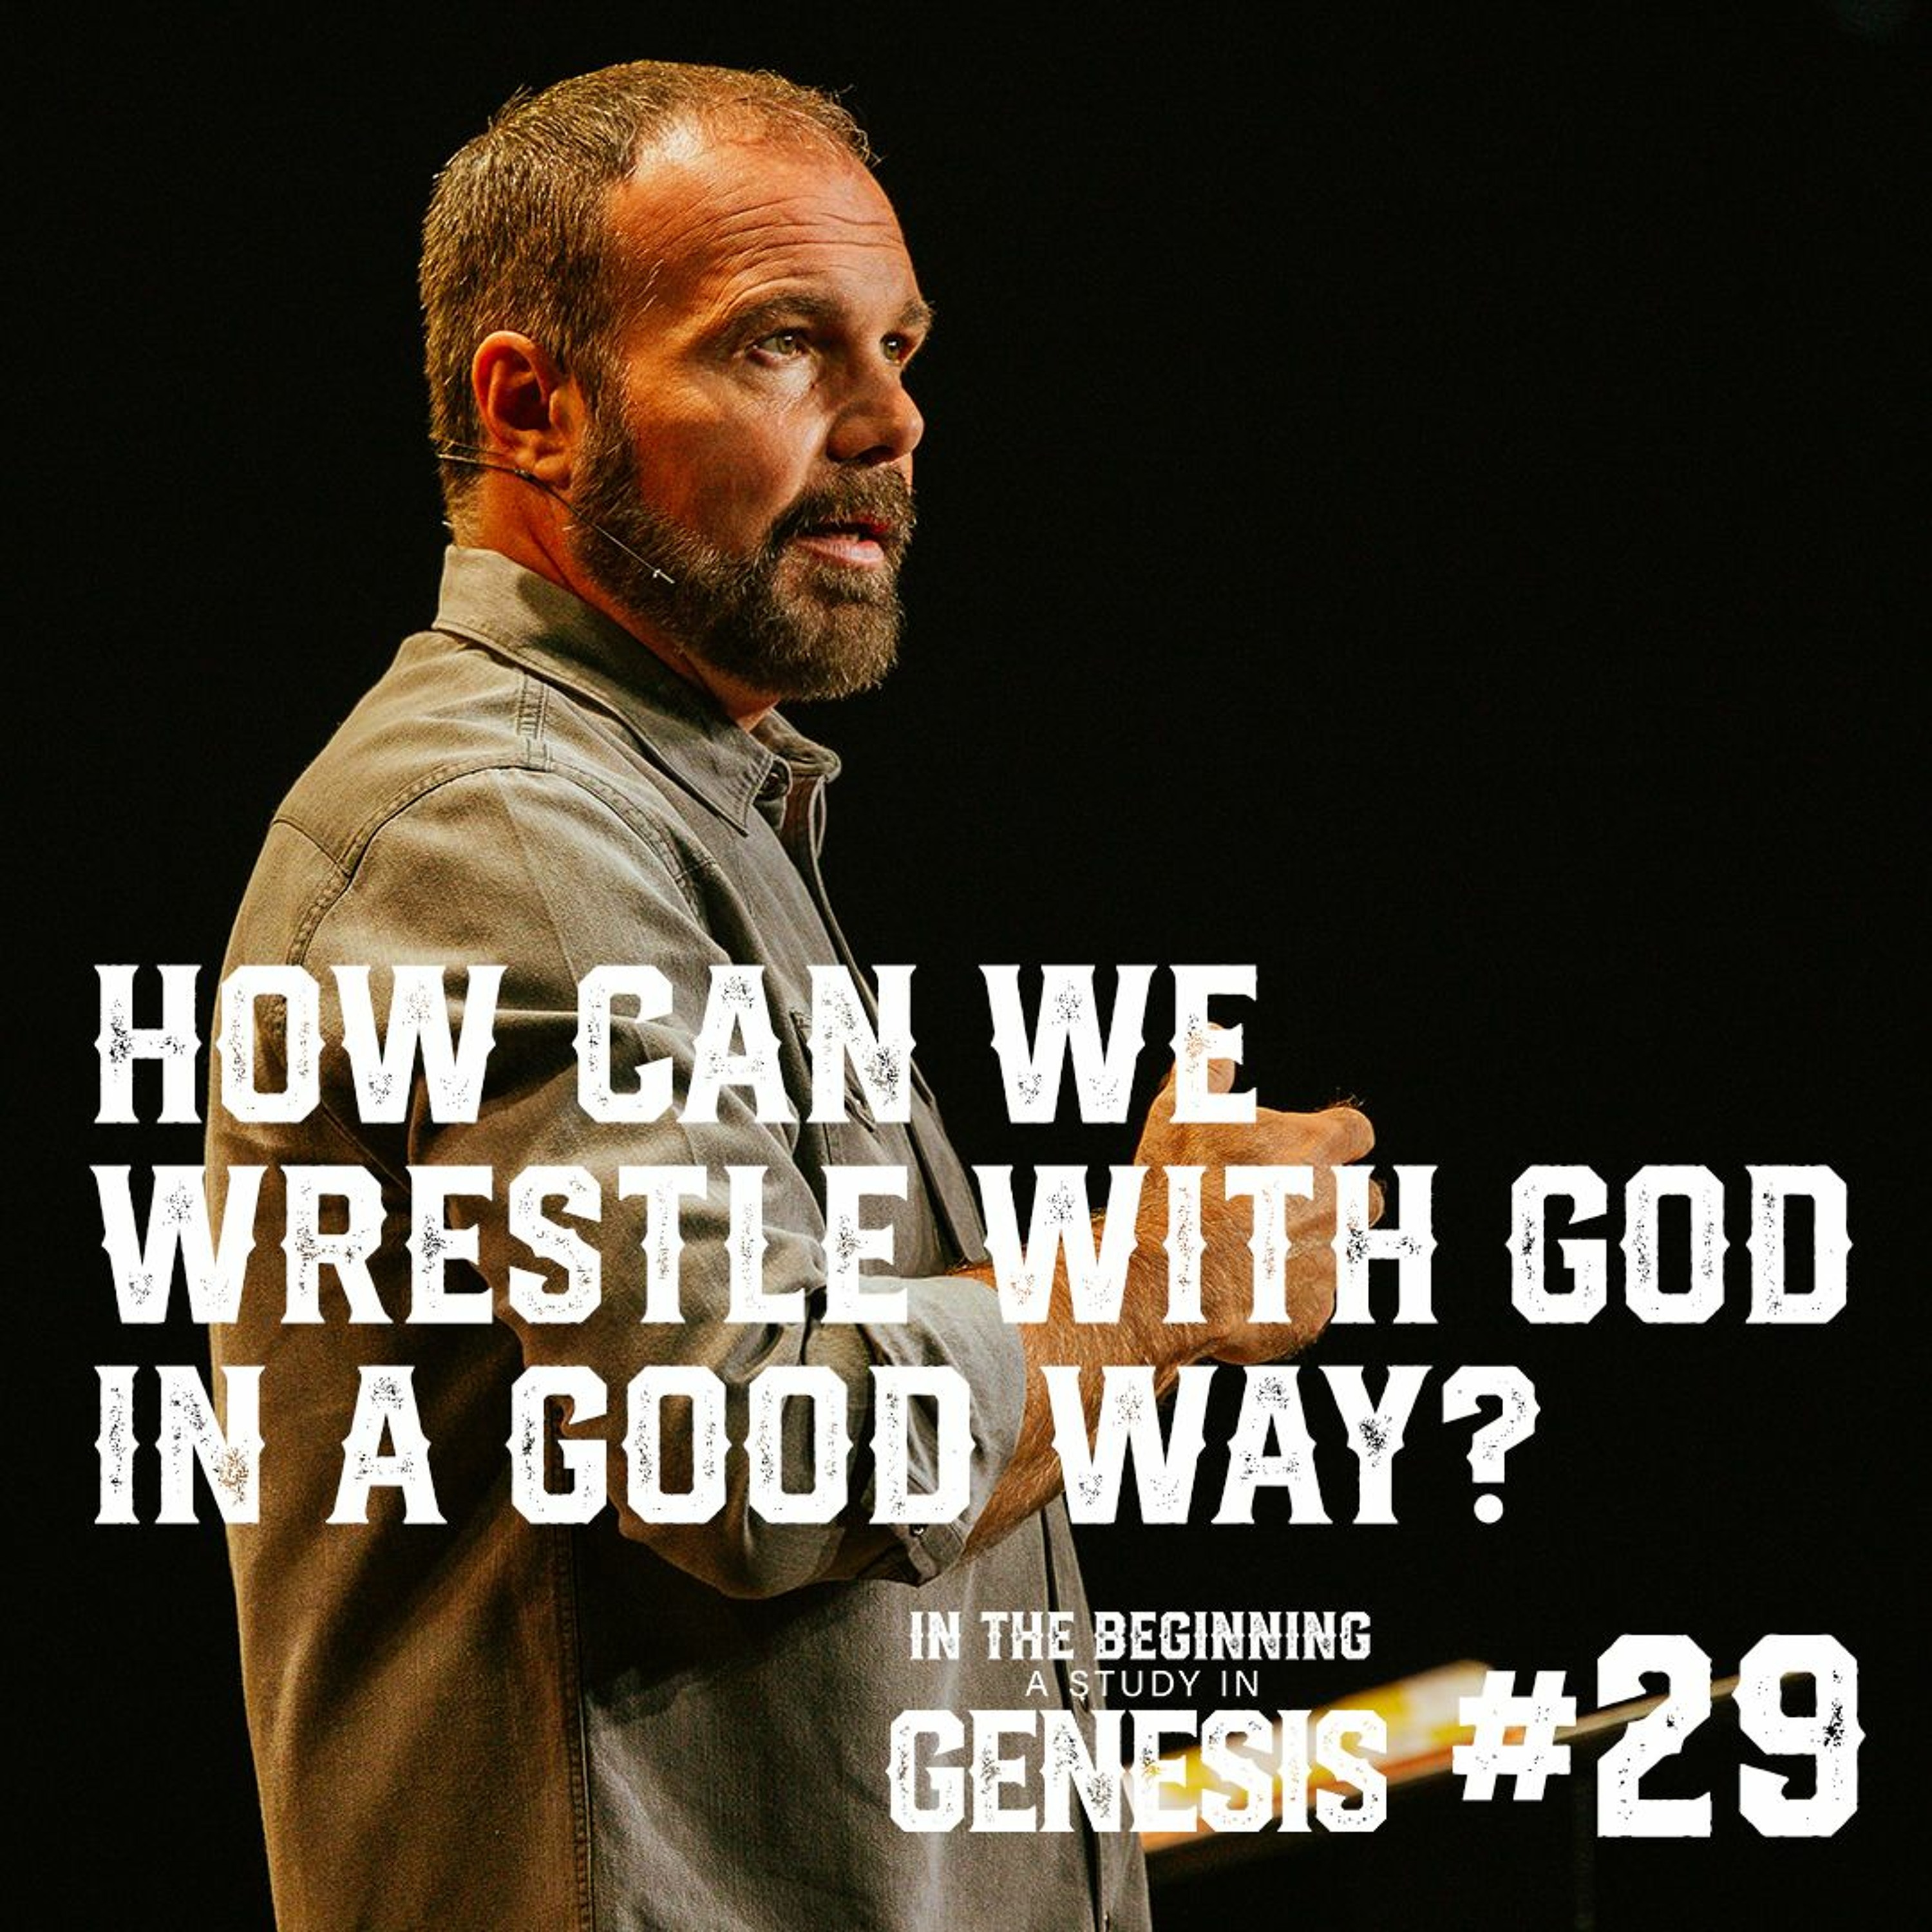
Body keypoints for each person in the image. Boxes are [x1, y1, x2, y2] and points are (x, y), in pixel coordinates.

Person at [205, 59, 1376, 1931]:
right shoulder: (501, 828)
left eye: (898, 347)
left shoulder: (683, 804)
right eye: (782, 345)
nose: (891, 419)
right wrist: (1151, 1290)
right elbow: (753, 1454)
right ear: (531, 407)